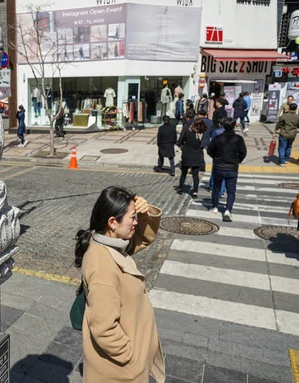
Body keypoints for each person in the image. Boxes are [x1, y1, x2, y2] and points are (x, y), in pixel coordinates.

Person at [74, 186, 165, 383]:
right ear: (112, 222)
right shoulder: (103, 267)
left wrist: (144, 212)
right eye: (132, 218)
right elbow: (104, 328)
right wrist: (132, 358)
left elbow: (144, 237)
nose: (135, 223)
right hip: (121, 372)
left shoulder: (110, 243)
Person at [207, 118, 247, 222]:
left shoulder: (217, 138)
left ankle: (215, 207)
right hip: (232, 167)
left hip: (218, 166)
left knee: (216, 188)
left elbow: (209, 150)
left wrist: (215, 157)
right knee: (231, 191)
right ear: (234, 126)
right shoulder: (238, 139)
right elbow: (243, 152)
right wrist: (238, 160)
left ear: (223, 126)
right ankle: (228, 210)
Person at [175, 118, 206, 198]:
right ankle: (195, 191)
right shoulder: (201, 134)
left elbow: (180, 141)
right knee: (195, 175)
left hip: (187, 155)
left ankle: (181, 187)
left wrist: (183, 143)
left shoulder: (188, 132)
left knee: (184, 173)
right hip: (196, 156)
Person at [274, 102, 299, 167]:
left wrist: (275, 132)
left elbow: (279, 125)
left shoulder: (284, 116)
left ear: (289, 108)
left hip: (284, 133)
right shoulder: (297, 117)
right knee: (289, 146)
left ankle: (282, 162)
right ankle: (286, 159)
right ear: (296, 109)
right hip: (292, 134)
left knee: (282, 147)